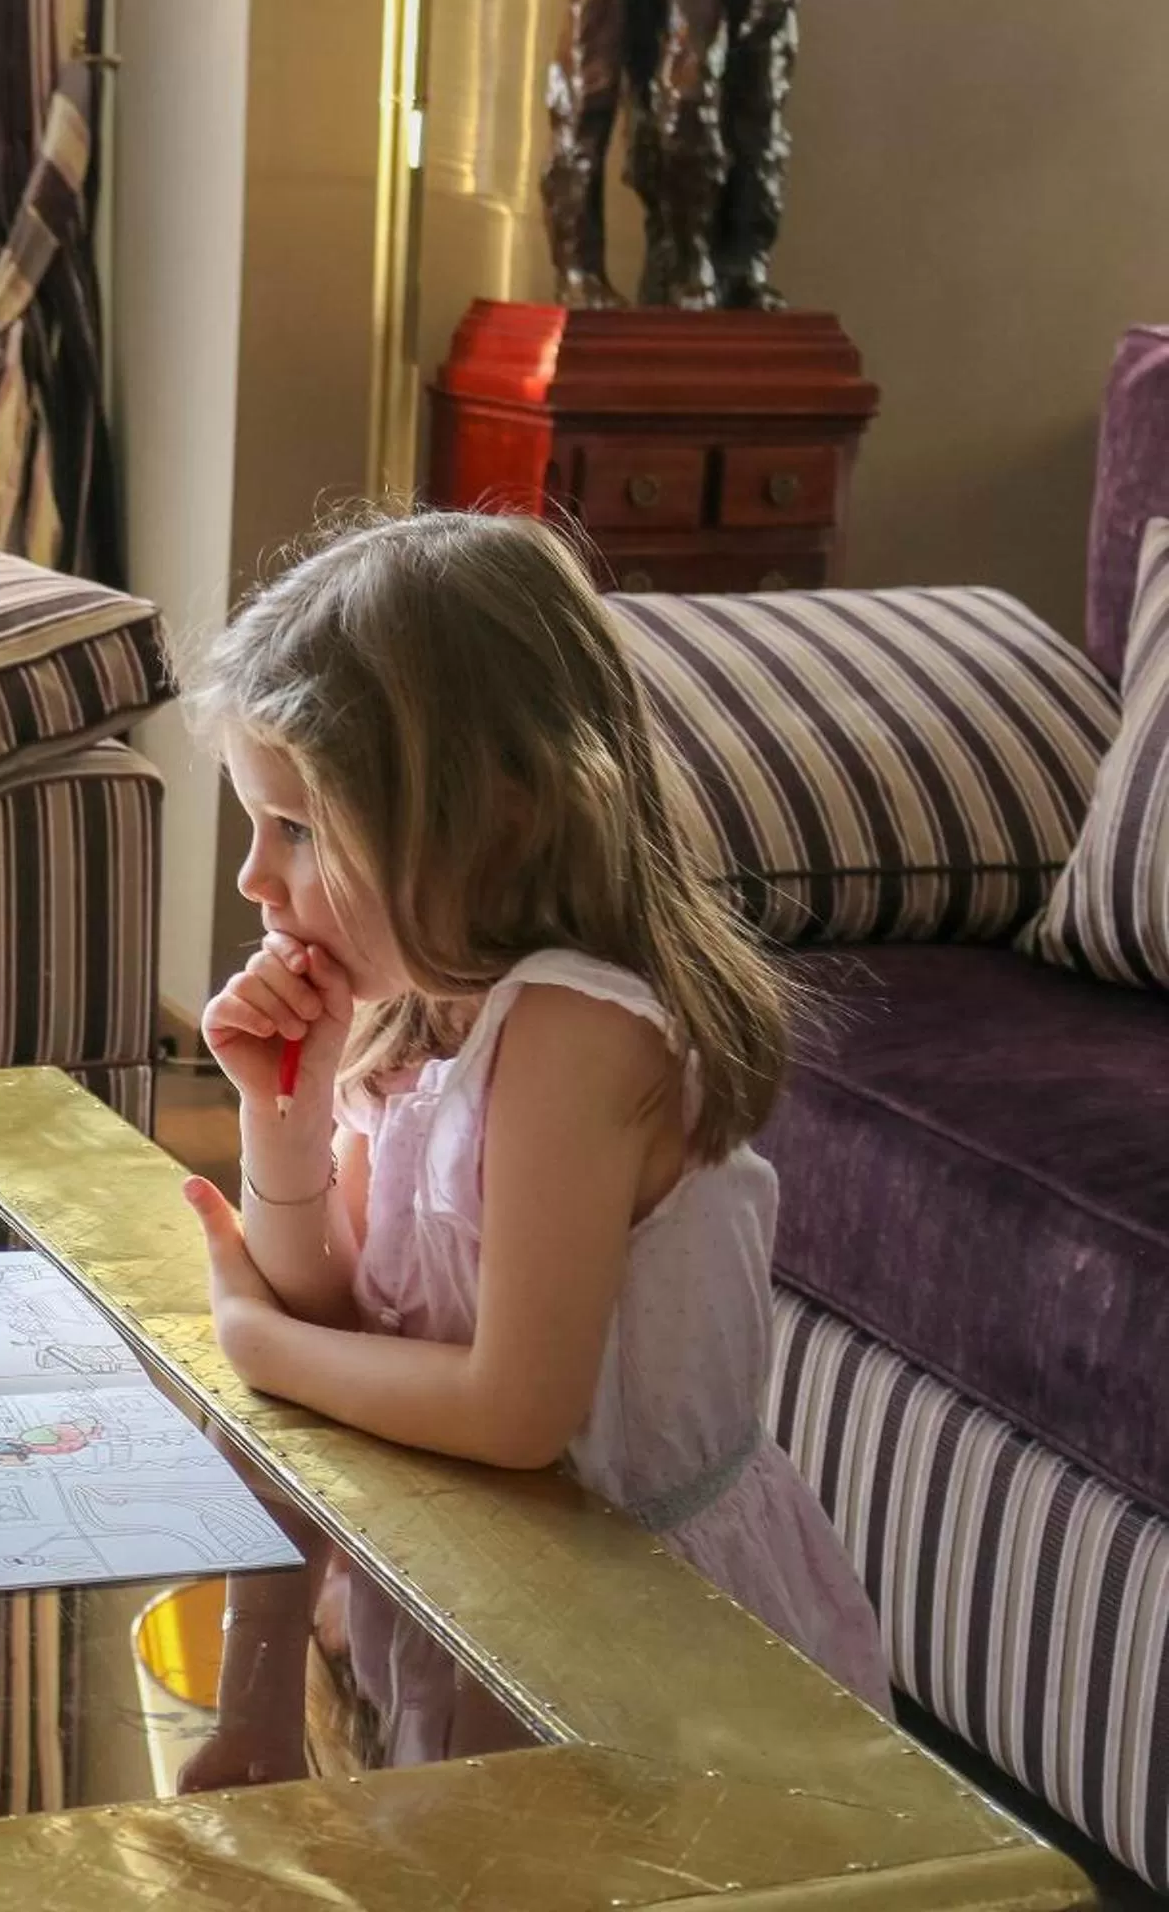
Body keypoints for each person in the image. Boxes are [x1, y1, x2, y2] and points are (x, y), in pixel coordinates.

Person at [179, 510, 893, 1778]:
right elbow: (344, 1304)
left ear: (493, 821)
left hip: (638, 1643)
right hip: (497, 1598)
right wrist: (280, 1132)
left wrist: (257, 1348)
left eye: (296, 827)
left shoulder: (576, 1034)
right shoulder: (416, 1019)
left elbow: (515, 1411)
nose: (254, 879)